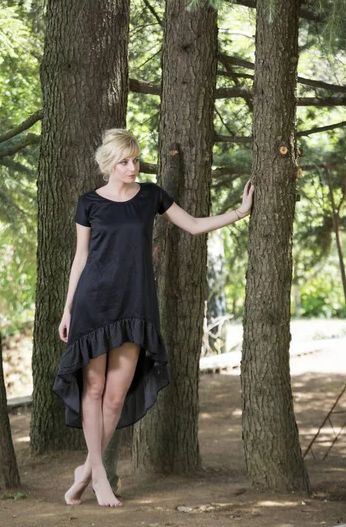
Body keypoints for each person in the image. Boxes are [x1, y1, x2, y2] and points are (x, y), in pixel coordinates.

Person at [52, 128, 254, 508]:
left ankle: (86, 470)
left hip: (135, 305)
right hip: (92, 303)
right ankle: (99, 478)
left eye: (135, 159)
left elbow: (192, 225)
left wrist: (239, 212)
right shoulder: (88, 203)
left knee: (115, 397)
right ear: (109, 164)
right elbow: (80, 259)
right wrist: (67, 309)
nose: (133, 167)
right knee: (92, 391)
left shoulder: (151, 196)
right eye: (125, 161)